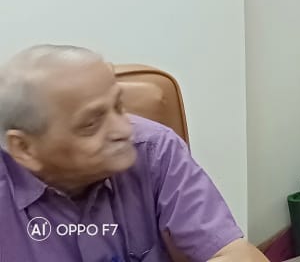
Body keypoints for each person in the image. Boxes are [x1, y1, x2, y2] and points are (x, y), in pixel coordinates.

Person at [0, 44, 267, 262]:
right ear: (24, 148)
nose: (124, 129)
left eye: (119, 106)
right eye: (91, 124)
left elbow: (236, 254)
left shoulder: (153, 148)